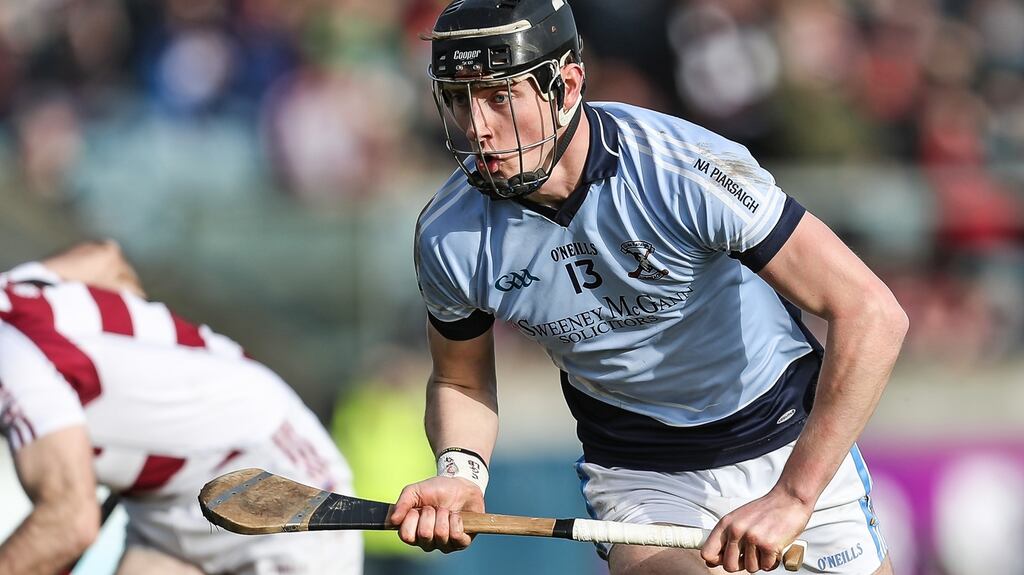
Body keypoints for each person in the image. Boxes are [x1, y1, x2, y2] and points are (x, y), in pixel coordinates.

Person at [391, 1, 909, 574]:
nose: (477, 127)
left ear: (565, 86)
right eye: (460, 100)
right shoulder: (449, 235)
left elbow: (872, 312)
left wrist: (793, 496)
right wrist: (460, 473)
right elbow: (459, 375)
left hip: (787, 440)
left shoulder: (683, 169)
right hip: (640, 472)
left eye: (500, 97)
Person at [0, 240, 362, 575]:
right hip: (166, 510)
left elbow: (69, 522)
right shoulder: (11, 292)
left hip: (270, 483)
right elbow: (105, 257)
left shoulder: (13, 362)